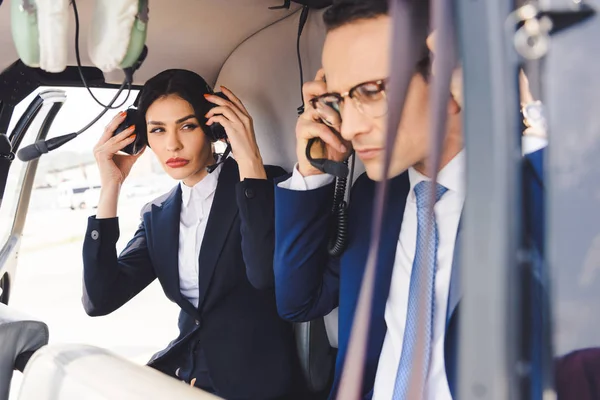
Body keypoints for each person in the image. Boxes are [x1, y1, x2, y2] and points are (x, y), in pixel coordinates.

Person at [273, 1, 545, 399]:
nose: (349, 126)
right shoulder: (371, 198)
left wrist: (527, 118)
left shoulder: (535, 193)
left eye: (369, 91)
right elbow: (299, 302)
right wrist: (314, 170)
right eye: (338, 99)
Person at [81, 69, 303, 399]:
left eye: (187, 126)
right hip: (183, 378)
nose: (172, 144)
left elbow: (263, 276)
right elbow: (99, 300)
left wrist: (249, 159)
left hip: (255, 384)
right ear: (143, 139)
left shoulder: (264, 186)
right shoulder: (157, 216)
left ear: (212, 128)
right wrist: (110, 186)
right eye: (157, 130)